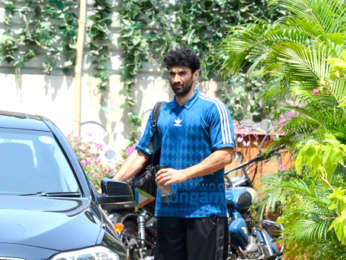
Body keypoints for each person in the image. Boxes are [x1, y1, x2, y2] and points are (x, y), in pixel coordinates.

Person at [114, 47, 235, 260]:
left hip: (205, 212)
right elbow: (141, 153)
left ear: (195, 75)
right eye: (172, 73)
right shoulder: (162, 112)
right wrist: (112, 184)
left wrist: (183, 174)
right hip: (168, 211)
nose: (176, 79)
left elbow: (225, 154)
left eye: (182, 73)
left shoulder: (213, 108)